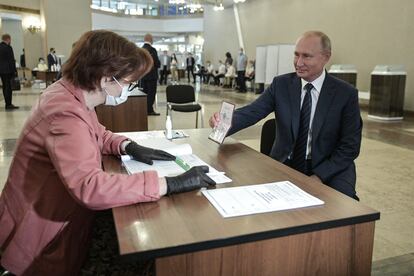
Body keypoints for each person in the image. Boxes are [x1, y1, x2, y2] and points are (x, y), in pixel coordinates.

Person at [0, 30, 215, 276]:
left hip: (57, 215)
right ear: (106, 78)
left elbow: (97, 134)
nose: (129, 89)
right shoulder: (64, 112)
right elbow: (90, 187)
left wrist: (127, 145)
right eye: (127, 83)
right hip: (44, 235)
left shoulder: (71, 93)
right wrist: (168, 183)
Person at [209, 31, 362, 200]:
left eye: (307, 56)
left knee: (344, 208)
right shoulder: (281, 85)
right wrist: (224, 122)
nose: (299, 62)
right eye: (296, 55)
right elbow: (253, 111)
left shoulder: (345, 94)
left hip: (330, 166)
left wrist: (319, 177)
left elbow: (350, 146)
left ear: (326, 57)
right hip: (287, 162)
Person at [141, 33, 161, 115]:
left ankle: (144, 109)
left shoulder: (141, 50)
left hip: (143, 76)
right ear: (151, 40)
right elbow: (157, 63)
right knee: (151, 93)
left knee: (145, 93)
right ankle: (149, 110)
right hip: (152, 76)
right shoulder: (152, 50)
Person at [0, 34, 19, 110]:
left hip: (1, 71)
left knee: (5, 87)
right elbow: (11, 60)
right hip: (8, 70)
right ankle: (9, 104)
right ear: (8, 39)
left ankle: (7, 103)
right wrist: (14, 71)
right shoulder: (8, 48)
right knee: (9, 88)